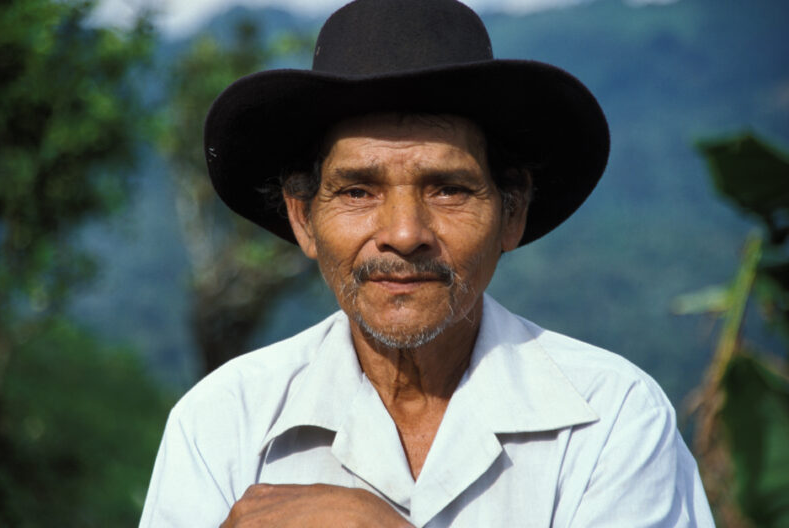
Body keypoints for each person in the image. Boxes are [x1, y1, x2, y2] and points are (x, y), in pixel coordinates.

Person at [140, 0, 715, 526]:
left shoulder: (611, 417)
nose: (404, 234)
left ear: (512, 213)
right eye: (357, 191)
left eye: (449, 189)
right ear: (303, 218)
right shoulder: (223, 421)